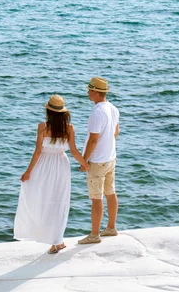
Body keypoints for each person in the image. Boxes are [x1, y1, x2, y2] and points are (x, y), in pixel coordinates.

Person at [14, 95, 88, 254]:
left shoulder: (42, 127)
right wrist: (86, 164)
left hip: (42, 165)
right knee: (59, 201)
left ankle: (51, 238)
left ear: (48, 111)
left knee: (41, 198)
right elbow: (74, 152)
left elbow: (38, 151)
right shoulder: (69, 128)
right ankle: (57, 241)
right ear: (63, 113)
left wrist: (28, 172)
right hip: (61, 165)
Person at [78, 77, 120, 244]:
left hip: (97, 161)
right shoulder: (113, 108)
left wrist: (84, 160)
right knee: (110, 193)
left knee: (96, 198)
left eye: (89, 90)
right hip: (111, 157)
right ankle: (111, 227)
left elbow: (93, 140)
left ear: (95, 92)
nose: (88, 92)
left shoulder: (97, 112)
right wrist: (108, 145)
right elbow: (116, 132)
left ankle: (94, 235)